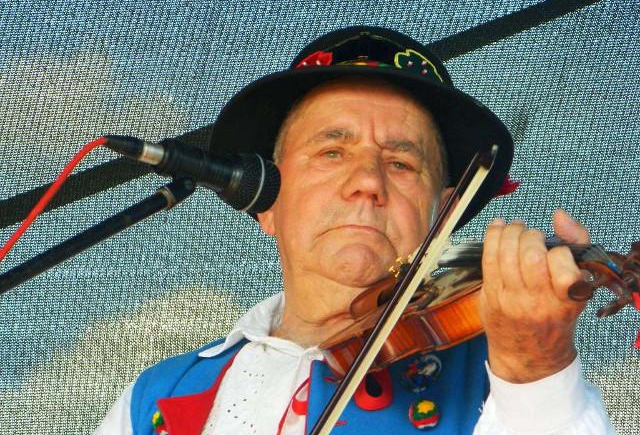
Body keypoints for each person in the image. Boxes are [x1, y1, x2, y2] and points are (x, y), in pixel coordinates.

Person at [95, 26, 615, 434]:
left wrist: (535, 369)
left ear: (443, 212)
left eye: (401, 163)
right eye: (331, 152)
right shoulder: (154, 399)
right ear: (266, 200)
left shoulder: (503, 376)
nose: (367, 180)